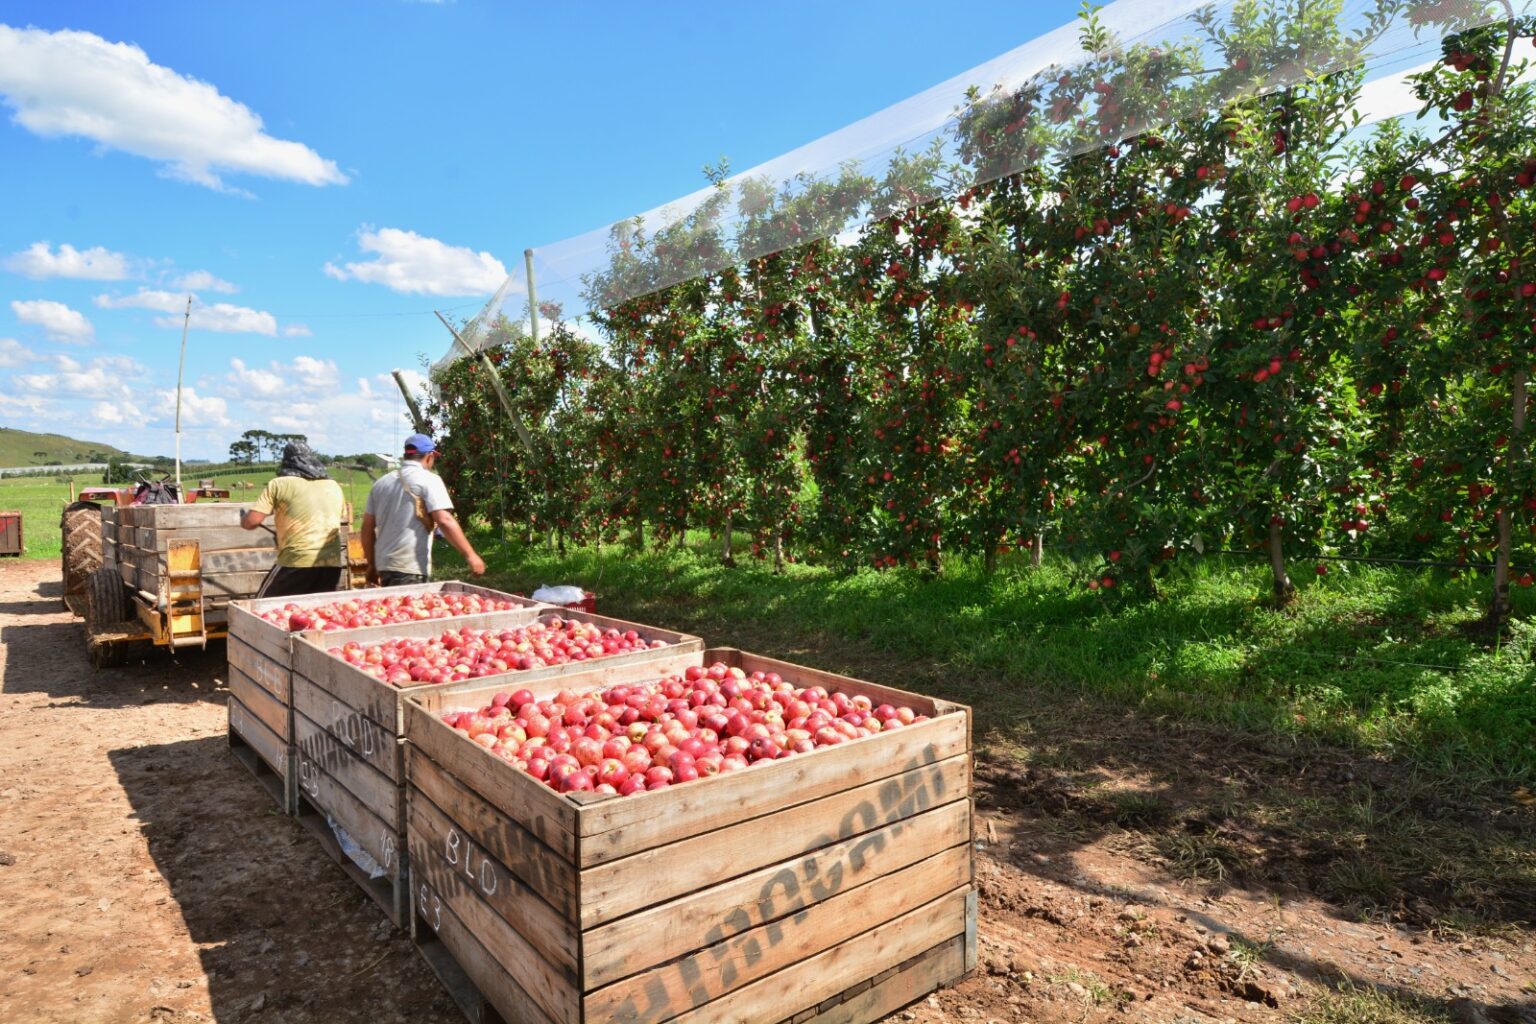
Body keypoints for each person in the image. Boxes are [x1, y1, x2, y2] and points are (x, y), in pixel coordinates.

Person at [362, 433, 485, 586]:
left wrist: (372, 565)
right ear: (429, 457)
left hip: (384, 566)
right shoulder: (429, 480)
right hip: (409, 566)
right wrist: (471, 556)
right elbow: (444, 520)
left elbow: (367, 529)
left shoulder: (381, 483)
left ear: (406, 455)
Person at [241, 441, 346, 597]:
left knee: (261, 606)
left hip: (297, 561)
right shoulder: (333, 485)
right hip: (332, 564)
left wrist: (244, 518)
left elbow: (252, 522)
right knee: (315, 612)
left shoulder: (279, 484)